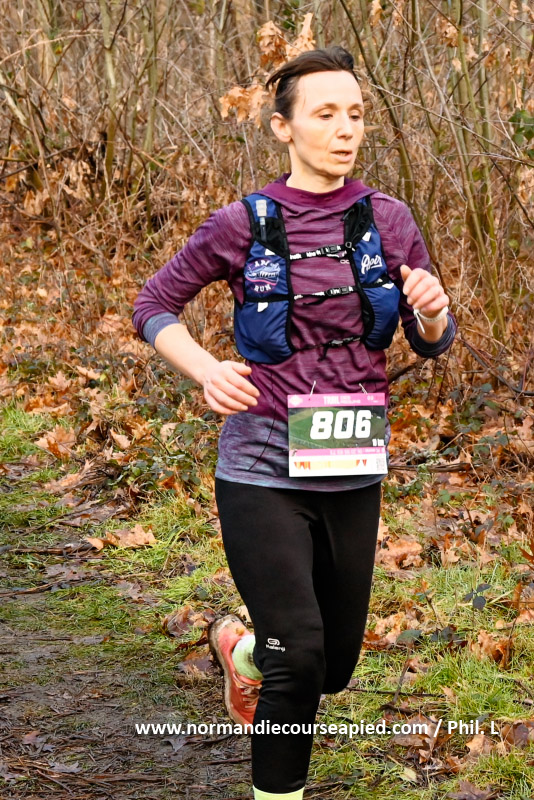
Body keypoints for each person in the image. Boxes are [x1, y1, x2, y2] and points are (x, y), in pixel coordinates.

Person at [132, 46, 457, 800]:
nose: (345, 129)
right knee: (300, 657)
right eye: (325, 114)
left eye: (356, 115)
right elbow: (154, 304)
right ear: (283, 127)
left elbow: (432, 340)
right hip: (260, 465)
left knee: (331, 668)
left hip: (353, 465)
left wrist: (435, 314)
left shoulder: (389, 219)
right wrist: (205, 369)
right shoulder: (243, 223)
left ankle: (243, 653)